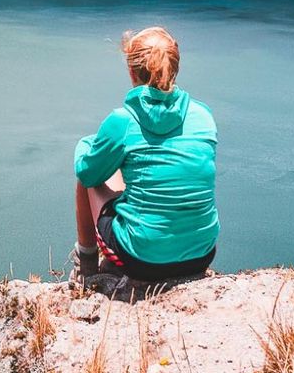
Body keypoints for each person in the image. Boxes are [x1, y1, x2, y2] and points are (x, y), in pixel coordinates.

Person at [73, 26, 218, 283]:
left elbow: (86, 172)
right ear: (175, 67)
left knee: (88, 177)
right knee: (132, 166)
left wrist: (86, 144)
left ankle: (86, 268)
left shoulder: (123, 121)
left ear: (131, 71)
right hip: (202, 254)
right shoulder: (203, 115)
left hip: (142, 261)